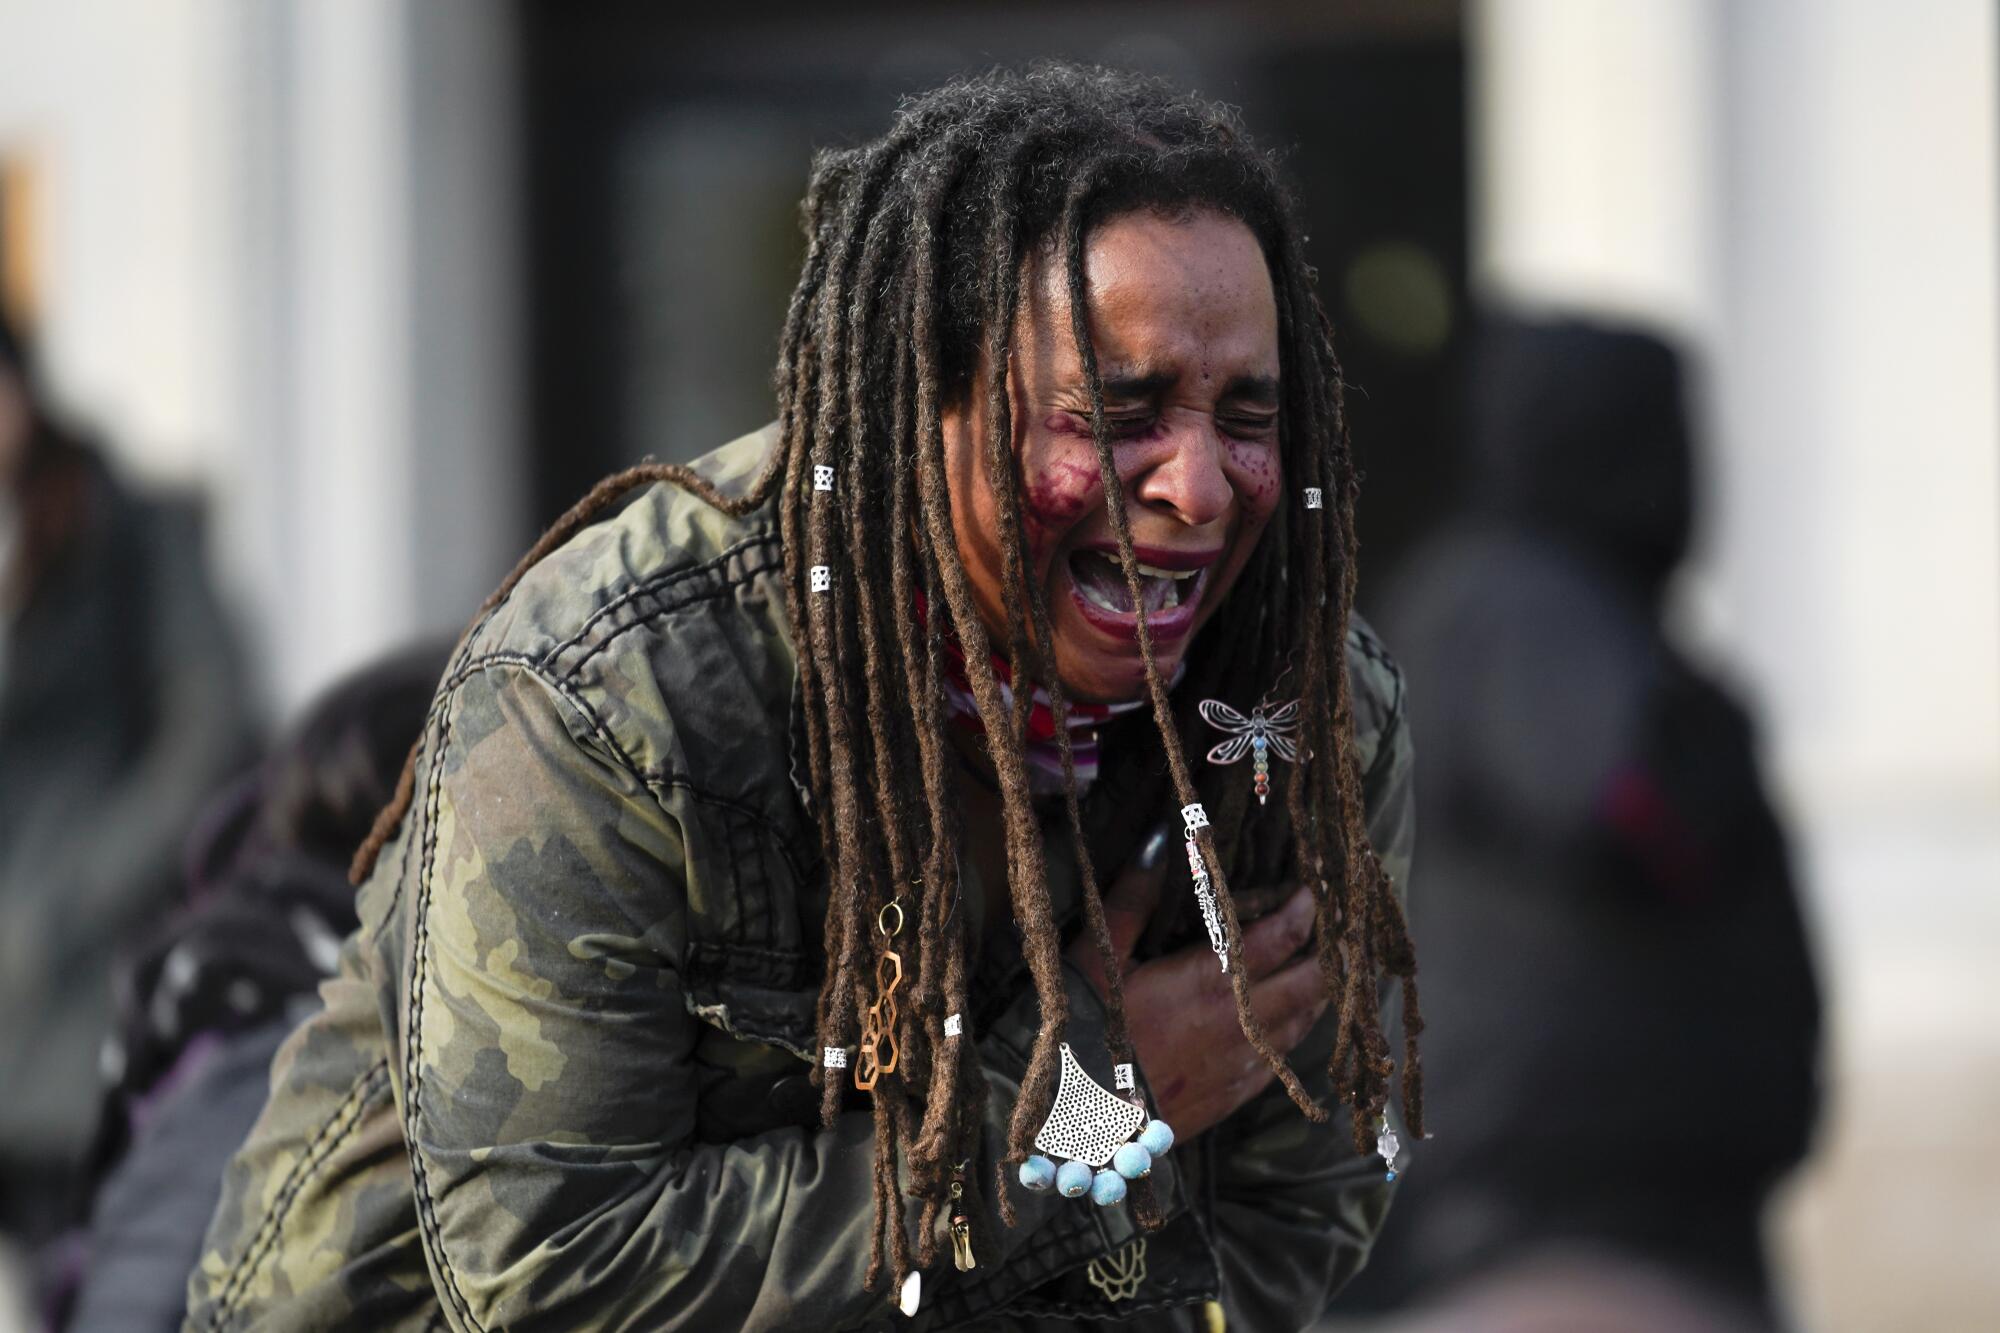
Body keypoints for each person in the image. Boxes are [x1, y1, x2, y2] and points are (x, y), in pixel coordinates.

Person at [185, 64, 1423, 1332]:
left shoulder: (1295, 720)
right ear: (920, 399)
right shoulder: (613, 698)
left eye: (1248, 415)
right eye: (1119, 411)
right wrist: (1092, 1105)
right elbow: (559, 1278)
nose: (1201, 487)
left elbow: (1279, 1225)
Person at [1335, 317, 1821, 1330]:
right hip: (1541, 1246)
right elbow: (1608, 796)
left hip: (1635, 1227)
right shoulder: (1516, 604)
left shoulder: (1563, 612)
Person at [0, 309, 255, 1258]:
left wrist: (85, 884)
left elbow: (208, 724)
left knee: (110, 1267)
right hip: (19, 993)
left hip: (97, 981)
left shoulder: (121, 528)